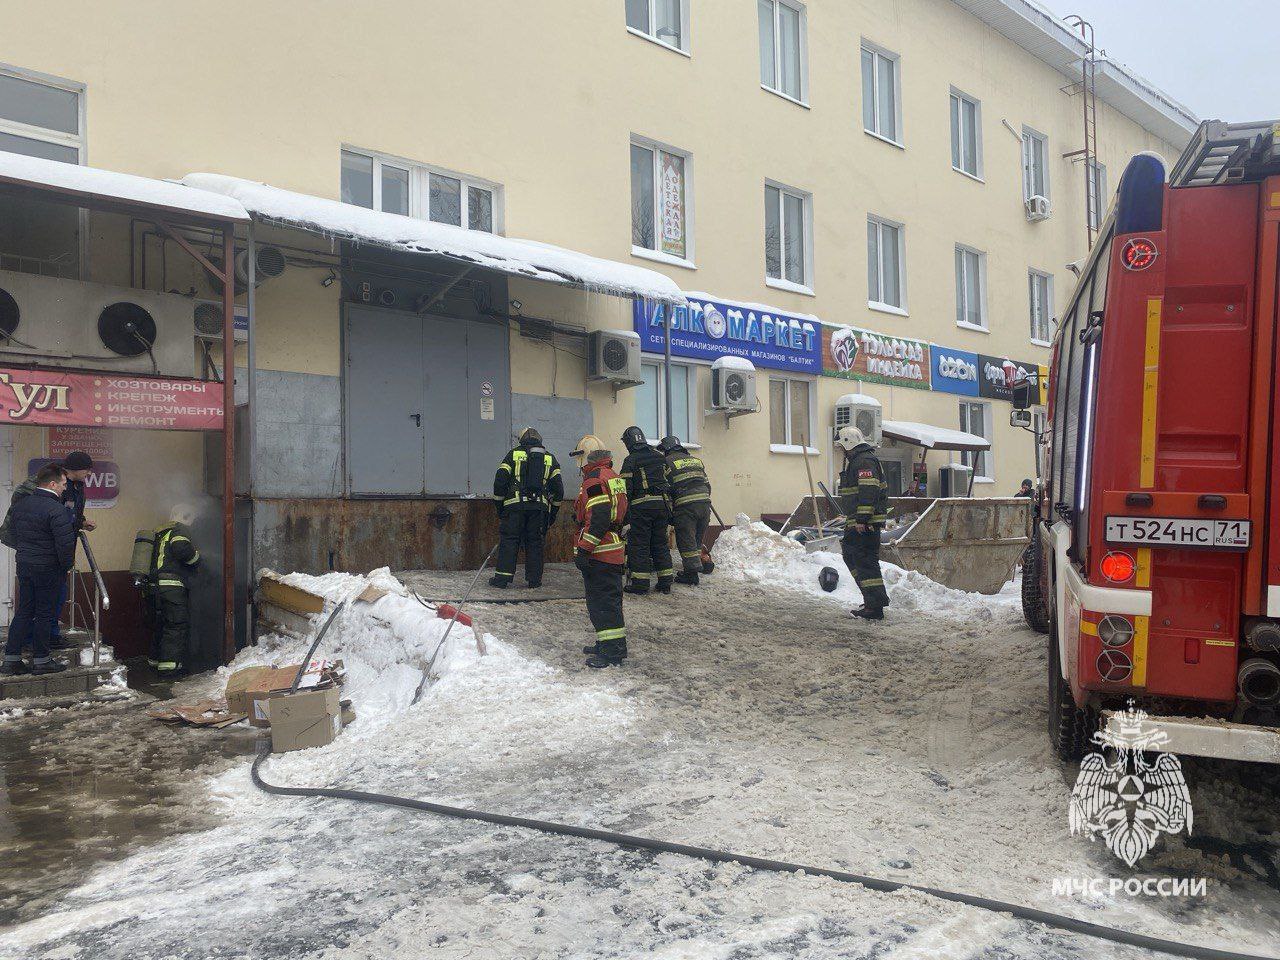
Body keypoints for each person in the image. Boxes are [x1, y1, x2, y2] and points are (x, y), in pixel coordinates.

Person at [1, 464, 74, 676]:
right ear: (52, 484)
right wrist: (65, 566)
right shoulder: (56, 509)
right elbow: (65, 544)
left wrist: (27, 552)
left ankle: (11, 660)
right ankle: (41, 660)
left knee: (24, 611)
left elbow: (10, 535)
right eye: (62, 484)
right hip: (49, 569)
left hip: (24, 565)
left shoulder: (21, 506)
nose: (64, 488)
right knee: (44, 614)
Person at [570, 435, 628, 668]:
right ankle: (606, 644)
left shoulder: (594, 480)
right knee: (606, 601)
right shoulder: (613, 477)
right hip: (611, 549)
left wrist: (584, 550)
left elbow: (599, 517)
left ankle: (612, 652)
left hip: (600, 552)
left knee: (603, 602)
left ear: (585, 457)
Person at [490, 427, 563, 589]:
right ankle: (534, 580)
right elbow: (558, 490)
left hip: (513, 508)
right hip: (539, 509)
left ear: (521, 440)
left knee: (509, 541)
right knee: (535, 543)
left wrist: (500, 507)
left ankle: (502, 579)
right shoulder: (550, 459)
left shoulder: (513, 455)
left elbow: (500, 481)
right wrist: (553, 514)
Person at [836, 426, 890, 621]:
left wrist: (862, 519)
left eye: (842, 446)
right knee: (852, 557)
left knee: (865, 563)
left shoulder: (864, 461)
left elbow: (868, 491)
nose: (842, 450)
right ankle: (872, 600)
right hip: (858, 522)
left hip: (865, 524)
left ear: (848, 443)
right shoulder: (859, 460)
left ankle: (874, 608)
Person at [618, 426, 674, 595]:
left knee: (640, 545)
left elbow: (625, 489)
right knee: (660, 544)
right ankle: (665, 582)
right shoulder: (659, 457)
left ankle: (640, 584)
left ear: (628, 442)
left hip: (641, 508)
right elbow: (669, 481)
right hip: (662, 507)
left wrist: (624, 514)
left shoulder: (631, 460)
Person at [48, 451, 96, 646]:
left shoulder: (77, 486)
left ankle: (50, 634)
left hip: (67, 547)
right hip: (54, 550)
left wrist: (82, 523)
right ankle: (48, 636)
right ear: (75, 469)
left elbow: (72, 513)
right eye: (87, 469)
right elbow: (56, 516)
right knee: (54, 593)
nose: (89, 474)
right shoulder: (60, 486)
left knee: (58, 592)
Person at [150, 506, 201, 677]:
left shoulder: (161, 532)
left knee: (161, 624)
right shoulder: (180, 529)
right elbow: (181, 549)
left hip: (154, 588)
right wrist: (197, 560)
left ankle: (154, 662)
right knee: (176, 625)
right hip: (171, 587)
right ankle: (169, 669)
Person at [657, 435, 712, 586]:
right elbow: (707, 485)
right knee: (697, 539)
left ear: (667, 449)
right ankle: (701, 563)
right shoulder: (696, 460)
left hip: (686, 506)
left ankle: (691, 575)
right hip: (704, 503)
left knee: (686, 540)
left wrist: (669, 513)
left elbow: (665, 490)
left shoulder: (667, 462)